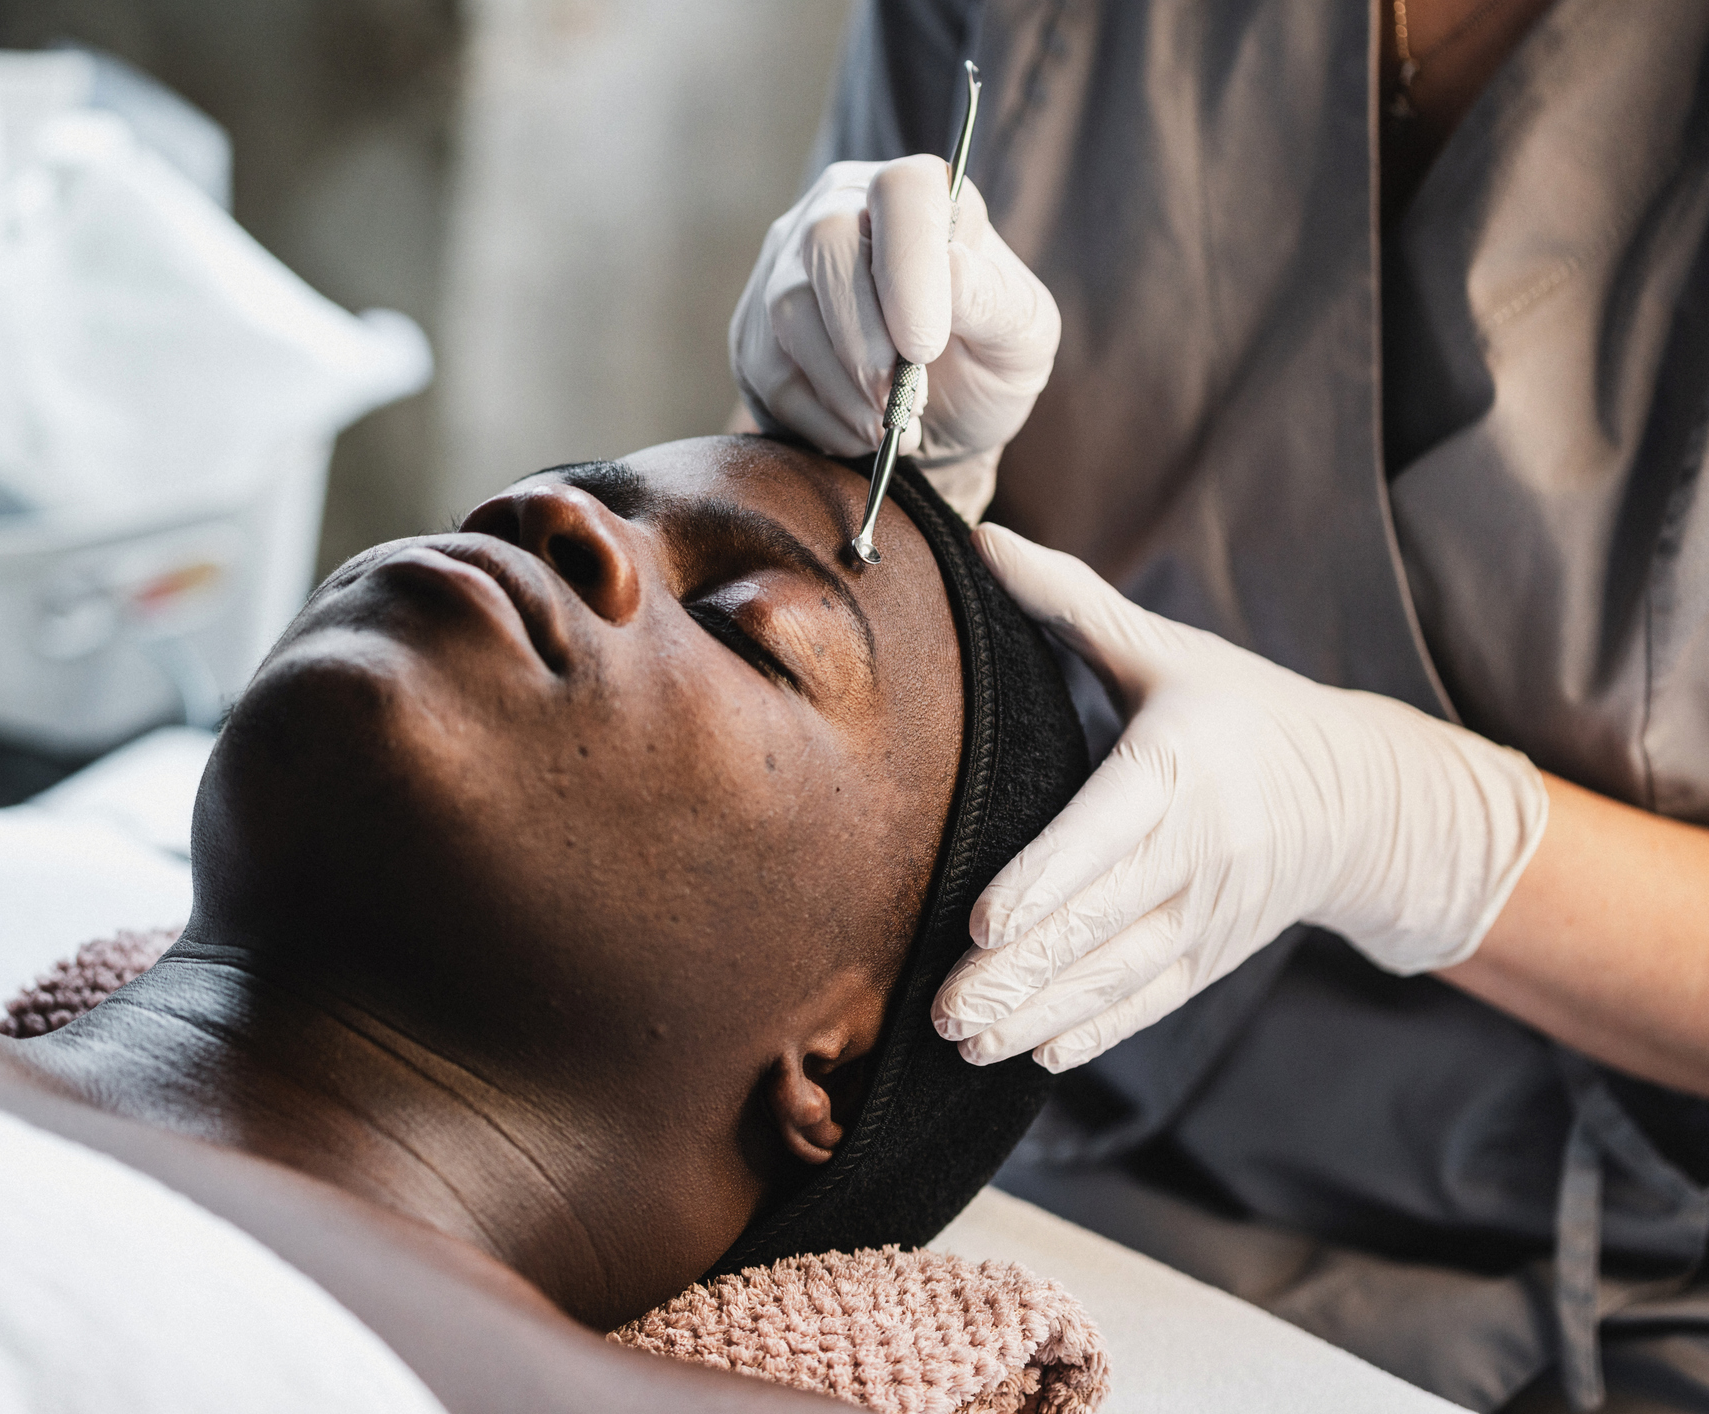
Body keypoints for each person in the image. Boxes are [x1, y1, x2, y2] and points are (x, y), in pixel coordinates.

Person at [0, 435, 1086, 1414]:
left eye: (752, 631)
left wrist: (1337, 798)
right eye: (568, 491)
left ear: (827, 1065)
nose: (553, 518)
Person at [728, 1, 1709, 1409]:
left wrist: (1416, 830)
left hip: (1604, 1297)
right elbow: (851, 483)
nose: (586, 547)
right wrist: (843, 457)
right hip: (1009, 1157)